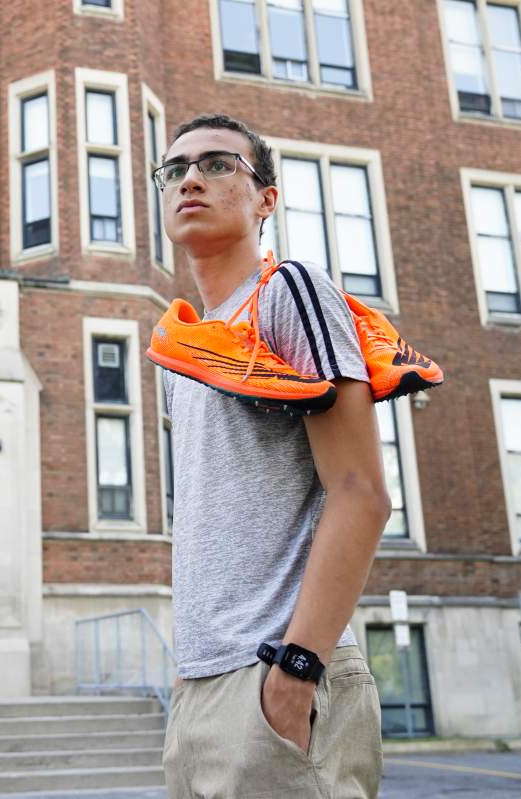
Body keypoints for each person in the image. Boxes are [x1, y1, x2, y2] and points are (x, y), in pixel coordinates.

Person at [153, 113, 390, 798]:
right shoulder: (181, 351)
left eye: (218, 164)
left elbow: (361, 490)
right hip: (197, 686)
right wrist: (190, 675)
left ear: (267, 200)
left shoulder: (289, 293)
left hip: (277, 677)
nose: (190, 178)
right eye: (174, 169)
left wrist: (295, 671)